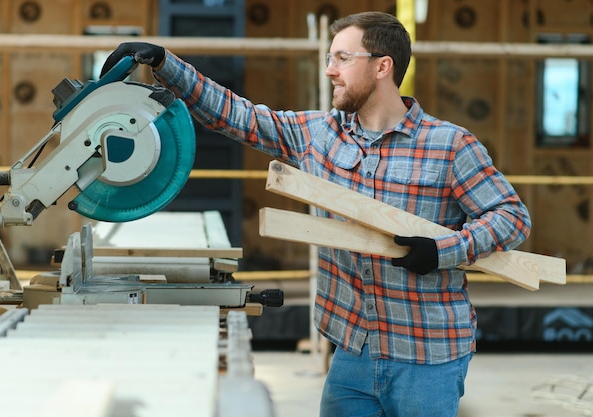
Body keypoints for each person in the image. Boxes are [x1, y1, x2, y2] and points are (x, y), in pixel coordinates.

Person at [101, 11, 530, 417]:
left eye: (342, 58)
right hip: (351, 353)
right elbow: (236, 114)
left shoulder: (450, 145)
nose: (330, 70)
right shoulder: (318, 135)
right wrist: (164, 63)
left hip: (426, 356)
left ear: (383, 67)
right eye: (330, 58)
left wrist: (444, 250)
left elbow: (512, 217)